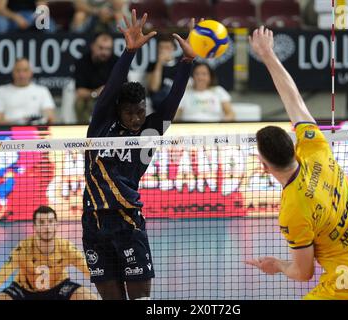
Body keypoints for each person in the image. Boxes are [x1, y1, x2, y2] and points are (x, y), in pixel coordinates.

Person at [245, 26, 348, 300]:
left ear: (264, 166)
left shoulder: (292, 208)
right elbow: (295, 101)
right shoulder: (316, 148)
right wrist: (268, 55)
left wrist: (278, 265)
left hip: (347, 282)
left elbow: (303, 273)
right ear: (294, 147)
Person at [82, 9, 197, 300]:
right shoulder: (101, 126)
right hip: (93, 222)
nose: (136, 118)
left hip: (128, 221)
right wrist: (129, 52)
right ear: (118, 110)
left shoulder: (150, 132)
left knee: (141, 300)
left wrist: (187, 62)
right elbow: (108, 93)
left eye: (141, 112)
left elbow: (172, 101)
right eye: (130, 113)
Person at [0, 206, 98, 300]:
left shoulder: (66, 248)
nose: (47, 226)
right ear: (34, 226)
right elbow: (3, 273)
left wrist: (106, 279)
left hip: (59, 288)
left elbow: (88, 269)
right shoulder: (23, 248)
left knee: (88, 297)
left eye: (50, 221)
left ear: (56, 225)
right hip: (24, 290)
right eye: (41, 222)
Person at [0, 58, 56, 125]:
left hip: (35, 132)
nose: (21, 74)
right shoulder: (1, 91)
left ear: (31, 72)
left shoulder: (42, 91)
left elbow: (50, 117)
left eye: (25, 70)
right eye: (18, 71)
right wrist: (20, 123)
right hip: (9, 133)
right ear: (12, 72)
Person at [74, 32, 117, 124]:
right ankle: (86, 131)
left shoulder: (117, 62)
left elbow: (124, 86)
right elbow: (80, 91)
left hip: (112, 98)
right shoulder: (82, 63)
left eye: (108, 49)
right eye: (101, 48)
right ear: (93, 46)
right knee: (80, 103)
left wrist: (108, 92)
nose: (104, 52)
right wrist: (95, 93)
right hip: (91, 97)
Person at [146, 33, 179, 108]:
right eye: (161, 47)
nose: (163, 50)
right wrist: (159, 63)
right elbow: (154, 88)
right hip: (156, 104)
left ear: (174, 48)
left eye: (167, 47)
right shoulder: (152, 65)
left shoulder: (180, 66)